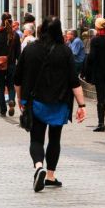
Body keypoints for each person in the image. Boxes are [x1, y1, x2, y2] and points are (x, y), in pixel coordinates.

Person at [15, 18, 87, 192]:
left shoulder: (30, 49)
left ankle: (38, 165)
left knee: (37, 138)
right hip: (59, 102)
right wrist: (82, 105)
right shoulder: (65, 51)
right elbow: (73, 81)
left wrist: (20, 99)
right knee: (55, 139)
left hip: (35, 101)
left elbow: (17, 78)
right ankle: (50, 175)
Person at [0, 14, 21, 117]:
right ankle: (11, 100)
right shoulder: (15, 36)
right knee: (11, 86)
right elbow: (18, 54)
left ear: (1, 21)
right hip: (12, 64)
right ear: (11, 22)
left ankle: (3, 110)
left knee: (1, 88)